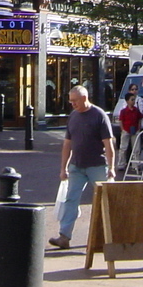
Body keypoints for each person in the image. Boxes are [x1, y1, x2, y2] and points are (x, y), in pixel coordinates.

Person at [50, 85, 115, 250]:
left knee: (104, 201)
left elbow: (108, 144)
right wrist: (63, 168)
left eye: (75, 101)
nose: (72, 104)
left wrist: (111, 167)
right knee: (70, 199)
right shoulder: (73, 116)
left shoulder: (99, 115)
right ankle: (64, 236)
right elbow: (67, 144)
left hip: (97, 165)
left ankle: (106, 237)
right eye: (70, 101)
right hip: (77, 166)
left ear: (84, 98)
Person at [115, 91, 142, 171]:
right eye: (132, 100)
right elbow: (121, 120)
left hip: (135, 129)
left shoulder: (136, 110)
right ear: (127, 101)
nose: (133, 101)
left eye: (134, 99)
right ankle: (121, 164)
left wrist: (139, 127)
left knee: (136, 148)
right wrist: (122, 129)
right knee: (123, 148)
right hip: (126, 129)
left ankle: (135, 164)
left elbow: (140, 118)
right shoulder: (123, 111)